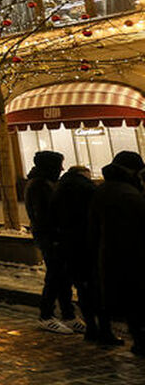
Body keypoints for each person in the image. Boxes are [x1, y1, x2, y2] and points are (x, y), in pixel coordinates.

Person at [88, 150, 145, 356]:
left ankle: (138, 339)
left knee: (131, 303)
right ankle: (140, 340)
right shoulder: (128, 194)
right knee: (137, 301)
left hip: (111, 255)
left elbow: (93, 227)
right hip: (132, 255)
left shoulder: (104, 190)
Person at [24, 150, 77, 333]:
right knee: (55, 276)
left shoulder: (47, 183)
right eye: (58, 165)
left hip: (53, 237)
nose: (62, 168)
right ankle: (46, 315)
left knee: (63, 275)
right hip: (50, 238)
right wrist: (53, 237)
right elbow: (44, 215)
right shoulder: (40, 186)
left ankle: (68, 314)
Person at [50, 165, 103, 343]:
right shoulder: (88, 190)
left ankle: (90, 326)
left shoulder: (58, 189)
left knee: (81, 286)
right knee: (91, 287)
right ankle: (100, 328)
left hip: (67, 243)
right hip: (86, 243)